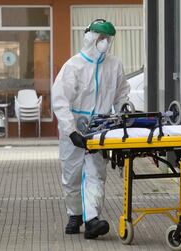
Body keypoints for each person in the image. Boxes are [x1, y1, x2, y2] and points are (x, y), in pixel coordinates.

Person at [51, 19, 130, 239]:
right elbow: (60, 101)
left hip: (100, 128)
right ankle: (75, 214)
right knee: (72, 175)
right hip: (75, 128)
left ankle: (92, 219)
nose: (104, 43)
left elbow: (121, 94)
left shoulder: (114, 65)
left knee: (96, 173)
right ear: (90, 38)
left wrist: (122, 116)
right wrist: (71, 131)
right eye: (100, 38)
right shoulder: (73, 66)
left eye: (107, 38)